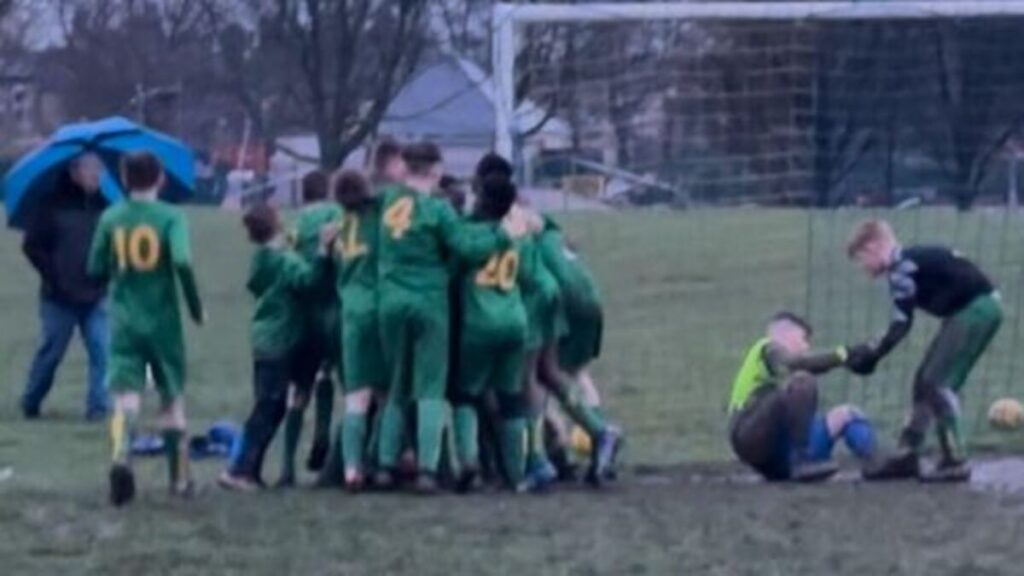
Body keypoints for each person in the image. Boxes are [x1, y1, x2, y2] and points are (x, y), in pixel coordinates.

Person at [374, 142, 523, 492]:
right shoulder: (438, 210)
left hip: (390, 300)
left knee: (397, 384)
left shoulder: (389, 200)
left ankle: (384, 465)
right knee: (429, 386)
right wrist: (503, 235)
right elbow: (468, 249)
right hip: (428, 301)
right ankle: (428, 470)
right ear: (436, 169)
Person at [87, 151, 205, 506]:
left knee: (125, 397)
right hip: (163, 323)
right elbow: (182, 260)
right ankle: (179, 480)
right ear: (160, 179)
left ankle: (121, 456)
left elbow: (94, 268)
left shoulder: (111, 217)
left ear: (124, 179)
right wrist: (195, 306)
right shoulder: (171, 217)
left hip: (125, 321)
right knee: (171, 398)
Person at [846, 219, 1002, 482]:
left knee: (936, 382)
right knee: (924, 381)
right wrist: (875, 351)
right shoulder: (912, 260)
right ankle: (908, 453)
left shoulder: (901, 268)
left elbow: (901, 323)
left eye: (861, 259)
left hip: (975, 311)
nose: (863, 268)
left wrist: (873, 354)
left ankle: (955, 458)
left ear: (872, 247)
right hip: (977, 309)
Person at [219, 204, 325, 492]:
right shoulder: (284, 261)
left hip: (263, 337)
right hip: (280, 340)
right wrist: (321, 253)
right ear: (276, 224)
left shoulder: (261, 258)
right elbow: (308, 280)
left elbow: (255, 285)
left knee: (272, 406)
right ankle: (238, 469)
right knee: (267, 408)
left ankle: (251, 470)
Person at [451, 175, 533, 492]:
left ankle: (469, 460)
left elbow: (455, 266)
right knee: (511, 397)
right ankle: (517, 475)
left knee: (466, 394)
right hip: (515, 320)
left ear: (482, 200)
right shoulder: (518, 235)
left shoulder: (469, 233)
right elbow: (526, 274)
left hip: (480, 322)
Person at [21, 153, 110, 420]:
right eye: (91, 169)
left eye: (99, 170)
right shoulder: (50, 205)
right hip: (58, 296)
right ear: (74, 172)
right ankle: (32, 399)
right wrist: (54, 277)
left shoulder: (105, 207)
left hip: (96, 294)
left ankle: (98, 408)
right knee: (52, 351)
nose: (96, 175)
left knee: (102, 349)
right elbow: (32, 246)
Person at [728, 312, 855, 482]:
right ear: (788, 335)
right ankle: (802, 461)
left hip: (762, 444)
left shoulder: (773, 363)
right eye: (804, 339)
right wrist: (841, 355)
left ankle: (873, 462)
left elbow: (810, 366)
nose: (806, 346)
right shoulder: (769, 348)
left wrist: (852, 358)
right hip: (746, 429)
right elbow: (796, 363)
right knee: (802, 382)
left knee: (841, 414)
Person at [277, 171, 343, 486]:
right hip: (334, 309)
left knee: (298, 390)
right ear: (328, 190)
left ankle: (287, 466)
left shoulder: (295, 225)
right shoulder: (335, 214)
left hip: (302, 316)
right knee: (329, 374)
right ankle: (323, 436)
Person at [325, 170, 386, 490]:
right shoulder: (378, 221)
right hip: (378, 311)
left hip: (349, 314)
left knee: (355, 398)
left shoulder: (339, 228)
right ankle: (380, 458)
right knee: (387, 395)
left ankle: (351, 469)